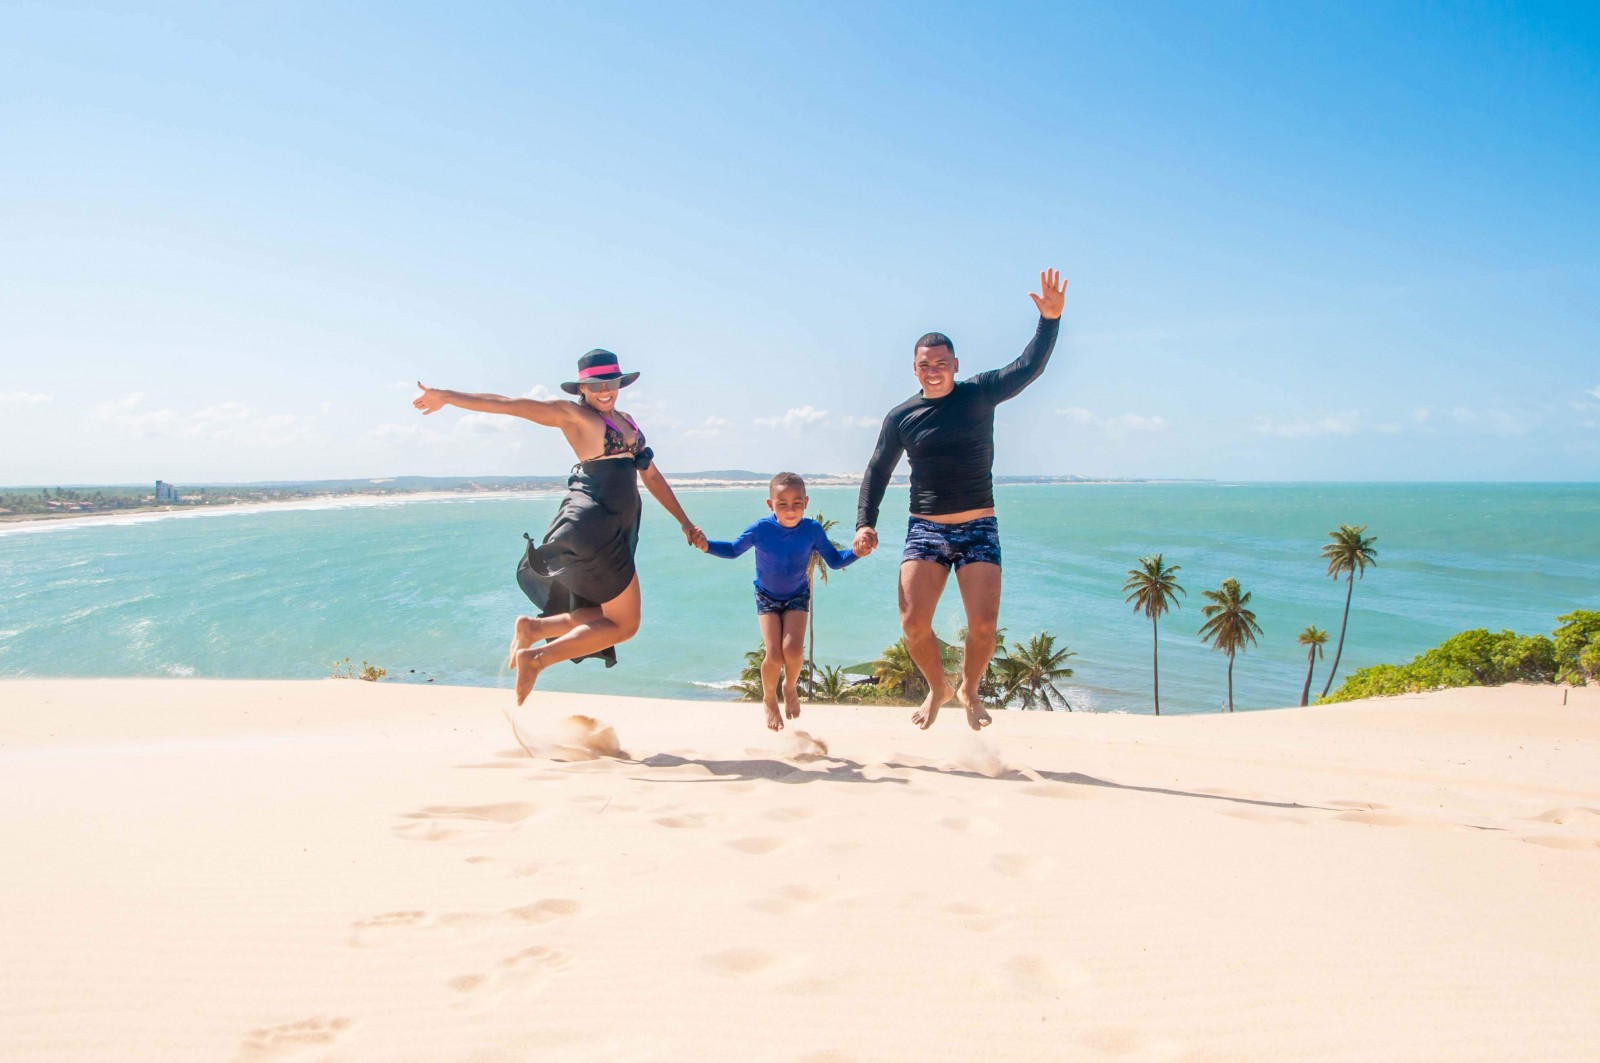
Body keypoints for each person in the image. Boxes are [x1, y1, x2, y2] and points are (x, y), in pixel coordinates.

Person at [413, 349, 705, 706]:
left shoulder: (626, 421)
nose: (604, 391)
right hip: (593, 525)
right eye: (595, 385)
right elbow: (508, 404)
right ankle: (537, 659)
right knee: (625, 625)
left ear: (619, 383)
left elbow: (652, 475)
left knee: (610, 616)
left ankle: (534, 629)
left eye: (610, 383)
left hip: (613, 528)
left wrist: (685, 521)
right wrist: (445, 396)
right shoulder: (572, 415)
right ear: (581, 387)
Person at [853, 268, 1068, 730]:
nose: (933, 370)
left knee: (984, 628)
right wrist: (864, 523)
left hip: (977, 528)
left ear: (955, 363)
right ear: (914, 368)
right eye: (924, 364)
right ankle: (939, 688)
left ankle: (969, 688)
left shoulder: (980, 393)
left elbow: (1028, 367)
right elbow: (877, 469)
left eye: (941, 362)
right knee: (913, 625)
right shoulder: (902, 416)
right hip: (925, 529)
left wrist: (1048, 321)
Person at [698, 472, 860, 732]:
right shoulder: (760, 529)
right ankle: (769, 698)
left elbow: (835, 560)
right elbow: (732, 550)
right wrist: (706, 545)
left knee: (793, 652)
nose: (790, 509)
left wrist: (857, 552)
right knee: (774, 655)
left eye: (797, 503)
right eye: (782, 503)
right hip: (767, 597)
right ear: (770, 504)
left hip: (797, 595)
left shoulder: (812, 530)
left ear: (806, 502)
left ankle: (789, 686)